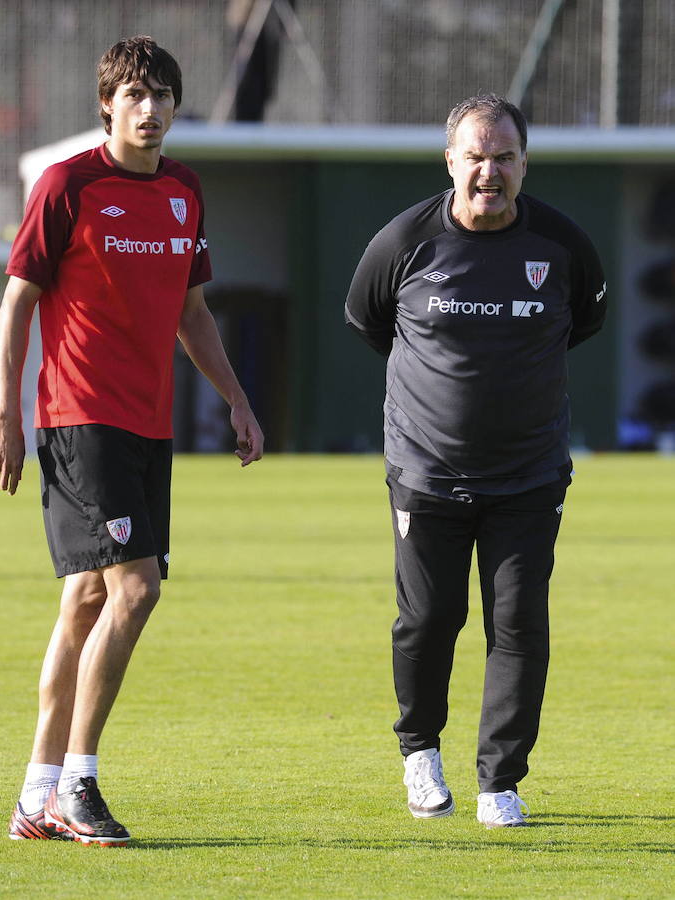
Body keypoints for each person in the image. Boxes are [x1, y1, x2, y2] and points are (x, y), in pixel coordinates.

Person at [0, 35, 264, 846]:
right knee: (136, 591)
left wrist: (238, 401)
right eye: (135, 95)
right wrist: (6, 416)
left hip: (149, 424)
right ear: (107, 105)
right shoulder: (67, 185)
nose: (151, 109)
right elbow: (16, 304)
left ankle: (36, 794)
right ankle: (79, 784)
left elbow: (193, 315)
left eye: (163, 95)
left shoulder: (183, 191)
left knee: (87, 601)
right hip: (80, 418)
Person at [345, 94, 606, 828]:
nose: (489, 171)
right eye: (475, 157)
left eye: (504, 157)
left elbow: (584, 319)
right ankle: (420, 752)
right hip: (426, 473)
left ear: (525, 163)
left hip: (529, 475)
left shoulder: (562, 244)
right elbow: (366, 320)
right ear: (450, 162)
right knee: (429, 620)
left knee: (519, 624)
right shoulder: (404, 241)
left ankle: (500, 782)